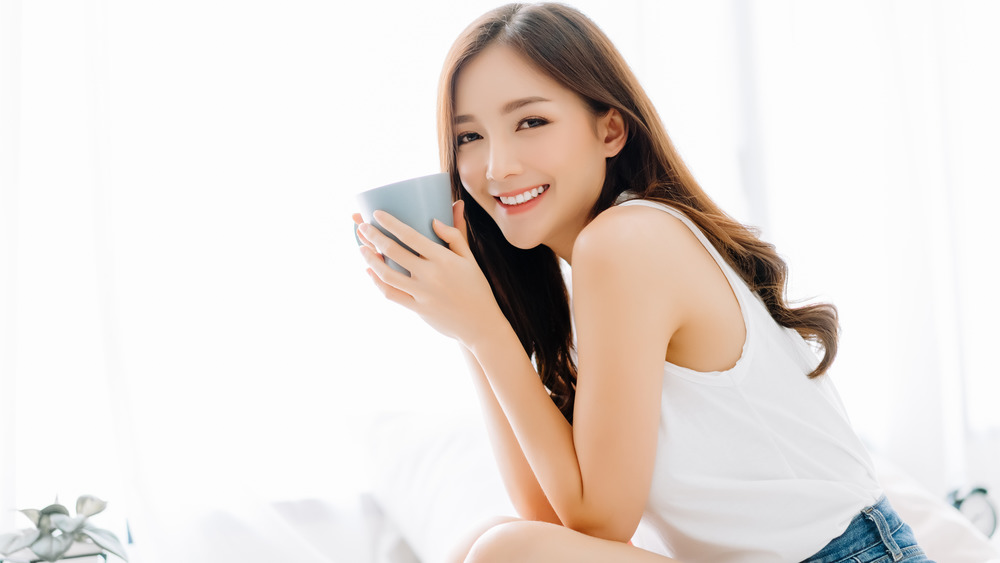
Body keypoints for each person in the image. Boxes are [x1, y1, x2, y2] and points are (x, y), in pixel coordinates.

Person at [353, 3, 933, 562]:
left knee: (503, 552)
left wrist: (483, 332)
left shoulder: (627, 242)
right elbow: (549, 516)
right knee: (488, 544)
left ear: (610, 130)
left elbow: (599, 521)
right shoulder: (599, 270)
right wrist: (468, 321)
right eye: (469, 137)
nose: (497, 166)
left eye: (531, 122)